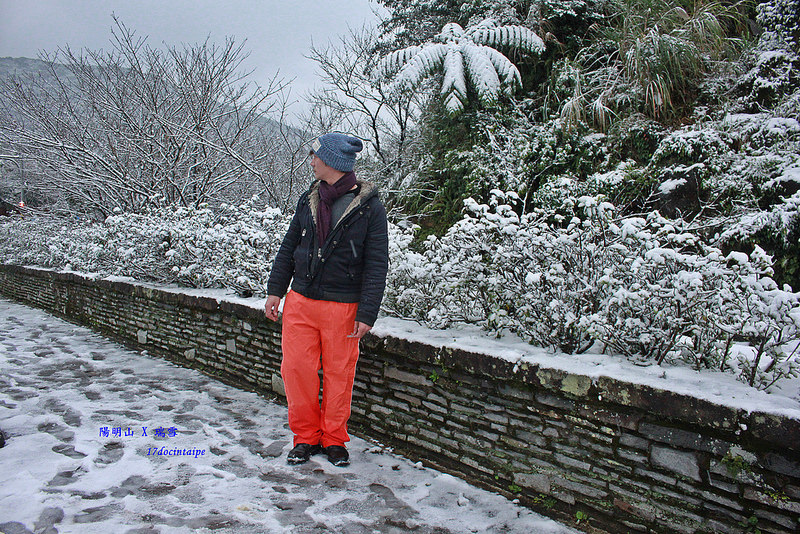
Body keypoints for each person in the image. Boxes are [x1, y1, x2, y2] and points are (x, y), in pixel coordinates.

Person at [265, 132, 389, 467]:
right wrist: (276, 290)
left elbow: (377, 263)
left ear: (332, 161)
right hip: (301, 301)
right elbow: (289, 247)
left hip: (343, 306)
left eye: (315, 155)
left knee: (339, 374)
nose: (311, 160)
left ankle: (334, 439)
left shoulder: (369, 208)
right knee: (296, 371)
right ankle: (305, 438)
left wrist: (368, 313)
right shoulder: (309, 199)